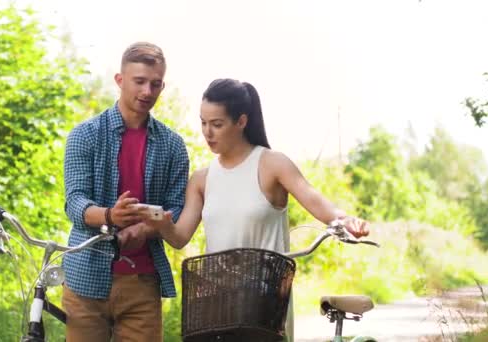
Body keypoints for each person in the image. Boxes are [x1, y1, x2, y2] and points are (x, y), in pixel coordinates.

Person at [144, 78, 369, 342]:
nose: (208, 132)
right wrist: (161, 223)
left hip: (265, 301)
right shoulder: (203, 178)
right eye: (203, 122)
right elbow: (179, 237)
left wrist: (345, 220)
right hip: (217, 303)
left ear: (241, 121)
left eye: (217, 124)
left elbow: (316, 201)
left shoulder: (272, 164)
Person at [61, 42, 189, 342]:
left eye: (155, 84)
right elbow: (75, 202)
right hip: (85, 278)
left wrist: (145, 229)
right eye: (139, 82)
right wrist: (109, 215)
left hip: (142, 282)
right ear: (120, 80)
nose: (147, 91)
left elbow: (176, 209)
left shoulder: (173, 146)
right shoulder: (84, 135)